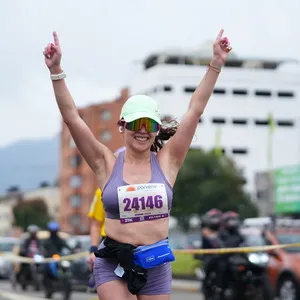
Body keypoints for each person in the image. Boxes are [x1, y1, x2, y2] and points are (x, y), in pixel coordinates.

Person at [43, 29, 232, 300]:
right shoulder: (105, 163)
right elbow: (72, 118)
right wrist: (56, 71)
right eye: (135, 123)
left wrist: (216, 63)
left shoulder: (168, 161)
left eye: (149, 124)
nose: (142, 131)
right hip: (114, 263)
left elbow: (195, 110)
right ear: (122, 126)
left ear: (157, 129)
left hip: (155, 263)